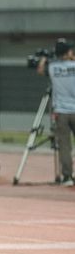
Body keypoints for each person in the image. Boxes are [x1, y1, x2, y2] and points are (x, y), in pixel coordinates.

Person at [38, 38, 75, 186]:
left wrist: (43, 60)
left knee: (65, 146)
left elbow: (41, 70)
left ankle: (67, 177)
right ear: (68, 52)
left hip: (61, 111)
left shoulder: (53, 68)